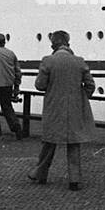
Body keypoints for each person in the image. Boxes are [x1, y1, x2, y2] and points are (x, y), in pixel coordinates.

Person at [28, 31, 95, 191]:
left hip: (54, 107)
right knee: (73, 144)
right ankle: (74, 180)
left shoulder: (48, 61)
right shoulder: (79, 62)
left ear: (54, 45)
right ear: (68, 43)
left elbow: (40, 85)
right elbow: (90, 85)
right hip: (75, 109)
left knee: (49, 142)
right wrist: (81, 98)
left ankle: (40, 174)